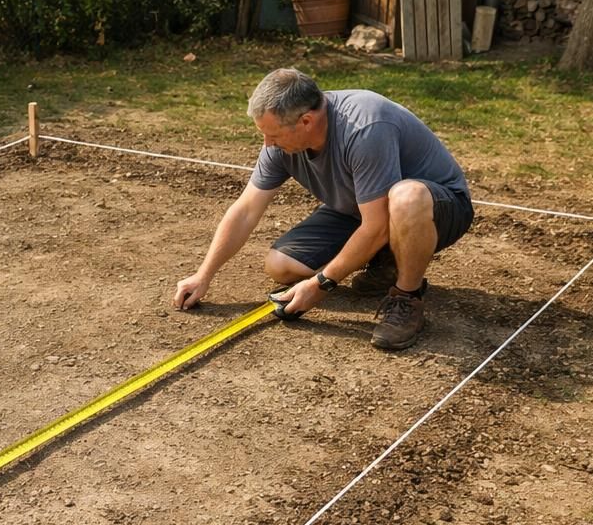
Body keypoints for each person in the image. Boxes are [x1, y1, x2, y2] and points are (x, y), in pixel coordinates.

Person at [173, 68, 472, 350]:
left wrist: (321, 283)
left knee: (406, 197)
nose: (267, 144)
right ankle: (387, 260)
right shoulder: (279, 143)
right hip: (360, 210)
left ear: (305, 121)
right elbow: (246, 209)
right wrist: (204, 274)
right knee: (281, 265)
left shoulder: (365, 127)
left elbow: (377, 224)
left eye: (273, 135)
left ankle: (407, 296)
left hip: (435, 208)